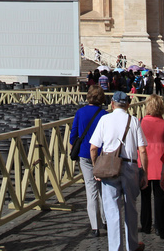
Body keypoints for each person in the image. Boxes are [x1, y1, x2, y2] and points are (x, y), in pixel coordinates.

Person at [89, 91, 148, 251]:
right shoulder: (134, 120)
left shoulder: (104, 119)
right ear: (128, 105)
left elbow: (93, 148)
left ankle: (115, 248)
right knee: (131, 208)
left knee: (112, 211)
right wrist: (145, 173)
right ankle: (133, 245)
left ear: (112, 104)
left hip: (110, 168)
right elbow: (142, 150)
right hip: (131, 166)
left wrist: (96, 169)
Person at [70, 86, 108, 238]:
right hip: (101, 155)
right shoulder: (105, 115)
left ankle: (95, 226)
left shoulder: (80, 112)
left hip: (85, 155)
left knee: (90, 189)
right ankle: (105, 220)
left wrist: (72, 150)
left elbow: (74, 134)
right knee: (103, 189)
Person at [139, 94, 164, 239]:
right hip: (160, 163)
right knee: (160, 198)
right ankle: (160, 227)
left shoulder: (142, 122)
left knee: (145, 197)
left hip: (144, 163)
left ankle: (145, 225)